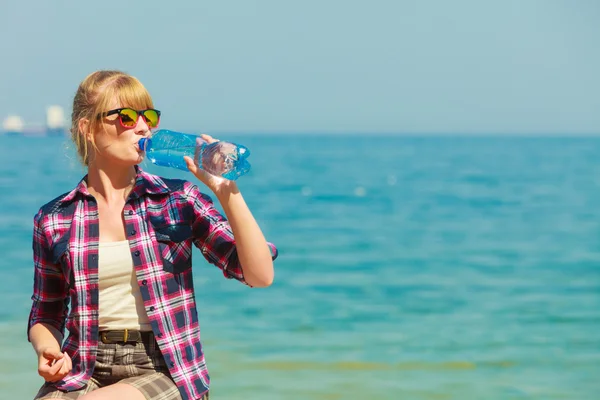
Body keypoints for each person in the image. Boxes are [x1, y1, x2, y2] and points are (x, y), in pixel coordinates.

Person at [28, 70, 278, 400]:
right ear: (87, 129)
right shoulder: (55, 218)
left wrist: (227, 191)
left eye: (149, 116)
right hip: (82, 366)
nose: (143, 127)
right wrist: (47, 350)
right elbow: (46, 311)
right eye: (127, 117)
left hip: (165, 368)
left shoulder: (178, 200)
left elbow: (259, 275)